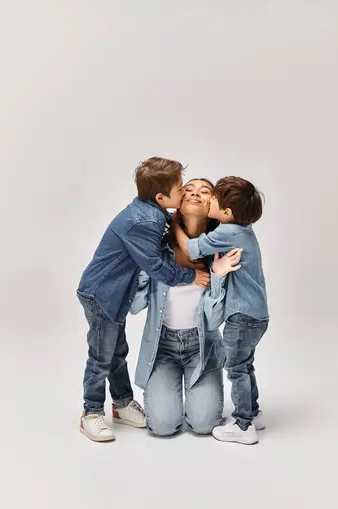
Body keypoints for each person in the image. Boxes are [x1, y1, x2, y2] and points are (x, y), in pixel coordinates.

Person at [77, 158, 210, 443]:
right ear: (162, 198)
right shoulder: (146, 220)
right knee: (102, 357)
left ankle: (122, 403)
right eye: (179, 187)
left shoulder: (154, 212)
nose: (185, 189)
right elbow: (157, 267)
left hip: (115, 294)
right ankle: (91, 412)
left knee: (116, 352)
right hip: (102, 294)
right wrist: (191, 278)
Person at [130, 179, 242, 437]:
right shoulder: (158, 248)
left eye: (204, 192)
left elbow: (215, 321)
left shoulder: (222, 252)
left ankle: (197, 399)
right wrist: (147, 267)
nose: (194, 193)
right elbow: (135, 306)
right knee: (162, 426)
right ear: (178, 201)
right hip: (163, 347)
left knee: (203, 425)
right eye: (188, 189)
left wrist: (216, 275)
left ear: (213, 205)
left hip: (202, 348)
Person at [173, 176, 268, 445]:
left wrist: (175, 224)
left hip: (242, 315)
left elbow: (191, 249)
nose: (208, 198)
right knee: (245, 365)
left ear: (226, 213)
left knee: (236, 368)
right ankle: (254, 412)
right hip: (258, 314)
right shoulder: (245, 230)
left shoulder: (227, 232)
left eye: (212, 197)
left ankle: (242, 425)